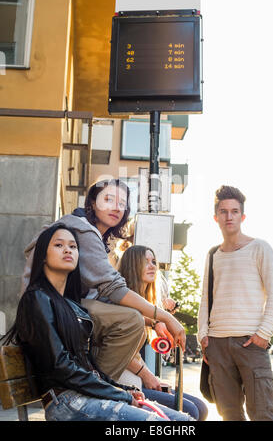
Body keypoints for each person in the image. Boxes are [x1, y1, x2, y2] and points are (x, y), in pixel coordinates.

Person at [1, 225, 193, 421]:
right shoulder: (37, 299)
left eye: (73, 246)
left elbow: (89, 366)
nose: (68, 250)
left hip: (86, 397)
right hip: (67, 402)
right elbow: (61, 368)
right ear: (43, 255)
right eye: (59, 245)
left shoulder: (72, 305)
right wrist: (121, 395)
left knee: (184, 421)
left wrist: (123, 389)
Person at [21, 179, 186, 381]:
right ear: (91, 203)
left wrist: (153, 322)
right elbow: (113, 289)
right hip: (46, 311)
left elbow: (102, 297)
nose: (116, 207)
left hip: (56, 308)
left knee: (134, 319)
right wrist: (166, 317)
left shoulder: (87, 233)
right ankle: (95, 390)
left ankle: (97, 385)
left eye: (121, 203)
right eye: (108, 199)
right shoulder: (82, 230)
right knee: (130, 321)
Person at [197, 185, 273, 421]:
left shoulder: (260, 248)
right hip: (217, 344)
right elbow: (205, 298)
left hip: (251, 343)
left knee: (262, 412)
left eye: (234, 211)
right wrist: (203, 336)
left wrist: (263, 335)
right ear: (216, 217)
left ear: (242, 216)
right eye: (223, 211)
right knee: (229, 414)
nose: (229, 216)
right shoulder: (212, 254)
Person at [118, 245, 208, 421]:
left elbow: (134, 353)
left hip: (136, 378)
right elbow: (121, 353)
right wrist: (147, 375)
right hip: (122, 383)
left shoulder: (144, 303)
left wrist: (154, 379)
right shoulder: (124, 302)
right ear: (131, 266)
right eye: (145, 262)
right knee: (191, 411)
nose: (152, 266)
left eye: (153, 262)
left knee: (201, 407)